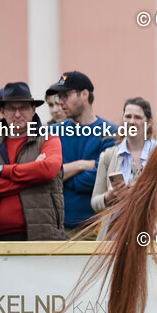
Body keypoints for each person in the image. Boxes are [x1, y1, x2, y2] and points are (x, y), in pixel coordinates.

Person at [92, 97, 157, 235]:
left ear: (149, 123)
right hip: (116, 238)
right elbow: (95, 202)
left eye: (137, 117)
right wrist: (108, 197)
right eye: (128, 116)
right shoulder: (108, 156)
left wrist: (147, 194)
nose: (132, 122)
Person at [0, 82, 65, 241]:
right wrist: (33, 176)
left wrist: (4, 171)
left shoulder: (48, 139)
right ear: (1, 111)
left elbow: (48, 170)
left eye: (22, 108)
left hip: (42, 236)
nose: (17, 114)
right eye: (11, 109)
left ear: (33, 109)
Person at [47, 71, 117, 232]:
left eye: (65, 96)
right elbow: (47, 174)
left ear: (84, 94)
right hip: (58, 227)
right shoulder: (52, 133)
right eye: (59, 97)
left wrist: (64, 175)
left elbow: (102, 178)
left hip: (97, 227)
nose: (61, 102)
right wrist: (81, 165)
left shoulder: (111, 133)